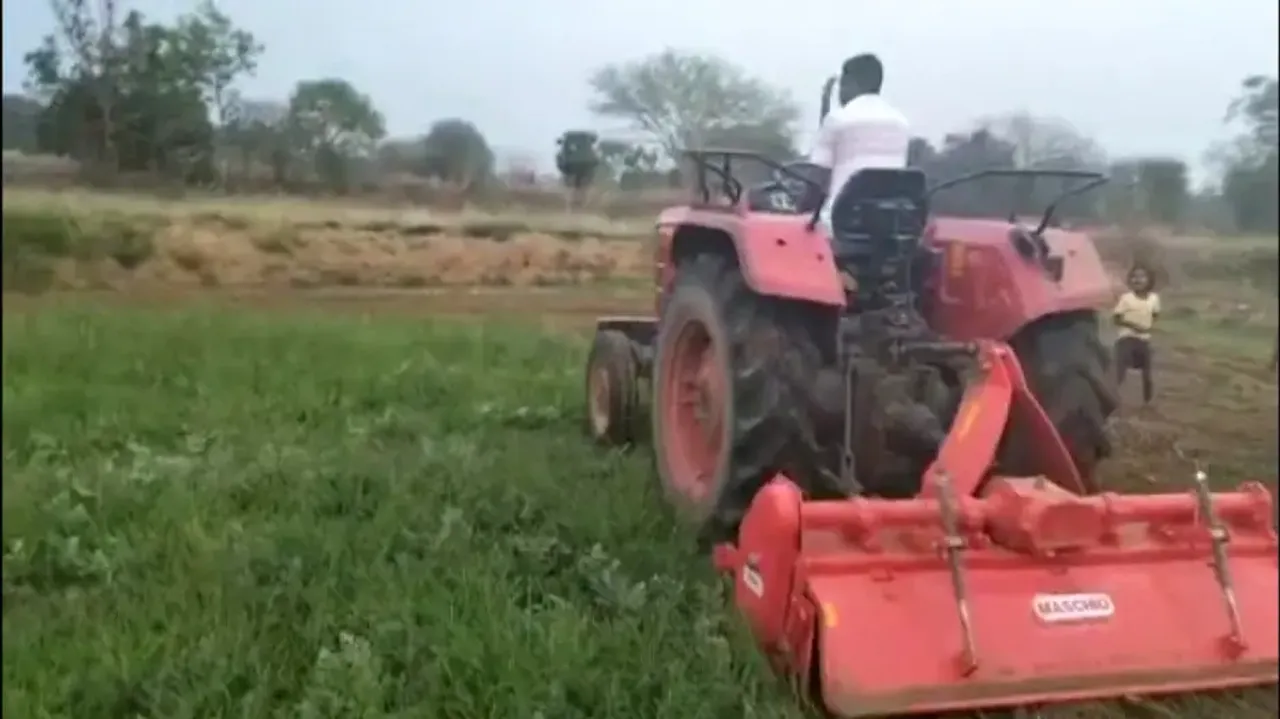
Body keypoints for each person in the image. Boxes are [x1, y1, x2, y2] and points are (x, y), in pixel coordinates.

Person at [808, 53, 911, 233]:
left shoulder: (838, 119)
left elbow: (817, 182)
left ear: (851, 83)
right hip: (886, 228)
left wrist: (799, 208)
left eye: (842, 86)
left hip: (838, 225)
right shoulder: (901, 123)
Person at [1112, 265, 1161, 406]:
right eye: (1134, 276)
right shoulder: (1126, 298)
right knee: (1119, 372)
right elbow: (1116, 318)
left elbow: (1155, 314)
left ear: (1149, 280)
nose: (1137, 280)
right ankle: (1110, 399)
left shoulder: (1154, 298)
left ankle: (1148, 403)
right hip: (1126, 338)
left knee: (1147, 374)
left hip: (1144, 340)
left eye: (1142, 277)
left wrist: (1147, 325)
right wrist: (1135, 326)